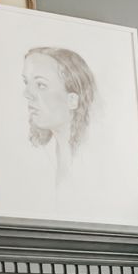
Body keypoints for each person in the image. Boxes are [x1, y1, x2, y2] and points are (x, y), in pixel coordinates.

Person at [23, 47, 96, 189]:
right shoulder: (39, 154)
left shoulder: (93, 158)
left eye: (41, 85)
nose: (26, 93)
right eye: (26, 82)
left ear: (72, 100)